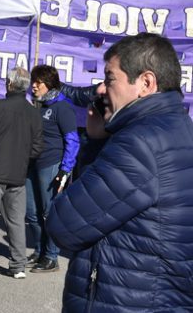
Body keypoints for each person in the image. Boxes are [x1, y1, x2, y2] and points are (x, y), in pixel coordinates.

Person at [48, 33, 193, 312]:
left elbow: (63, 225)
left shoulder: (138, 144)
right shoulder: (180, 127)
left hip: (127, 301)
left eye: (110, 78)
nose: (101, 90)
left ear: (146, 83)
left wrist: (95, 143)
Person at [0, 67, 44, 280]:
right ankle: (18, 265)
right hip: (18, 173)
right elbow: (37, 147)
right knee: (16, 221)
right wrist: (23, 161)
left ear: (10, 84)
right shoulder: (33, 112)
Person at [27, 65, 79, 273]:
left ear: (48, 84)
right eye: (32, 81)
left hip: (51, 165)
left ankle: (51, 257)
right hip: (32, 165)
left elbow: (72, 140)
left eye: (37, 82)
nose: (33, 86)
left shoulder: (62, 108)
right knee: (31, 212)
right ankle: (40, 250)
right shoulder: (37, 106)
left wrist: (65, 170)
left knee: (50, 213)